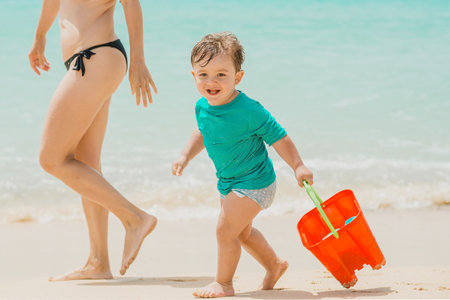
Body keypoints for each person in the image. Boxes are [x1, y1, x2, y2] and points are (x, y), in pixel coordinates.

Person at [172, 32, 314, 298]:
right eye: (203, 74)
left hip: (255, 182)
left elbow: (279, 137)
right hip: (229, 182)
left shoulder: (249, 110)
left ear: (237, 77)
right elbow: (202, 131)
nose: (211, 82)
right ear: (193, 76)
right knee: (241, 233)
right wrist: (184, 156)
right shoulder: (203, 106)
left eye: (221, 75)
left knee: (224, 230)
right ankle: (274, 265)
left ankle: (224, 284)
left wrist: (298, 166)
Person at [28, 0, 158, 280]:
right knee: (87, 164)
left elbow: (131, 2)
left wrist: (138, 60)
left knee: (51, 159)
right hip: (90, 60)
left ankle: (135, 218)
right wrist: (40, 37)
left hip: (96, 56)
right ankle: (98, 262)